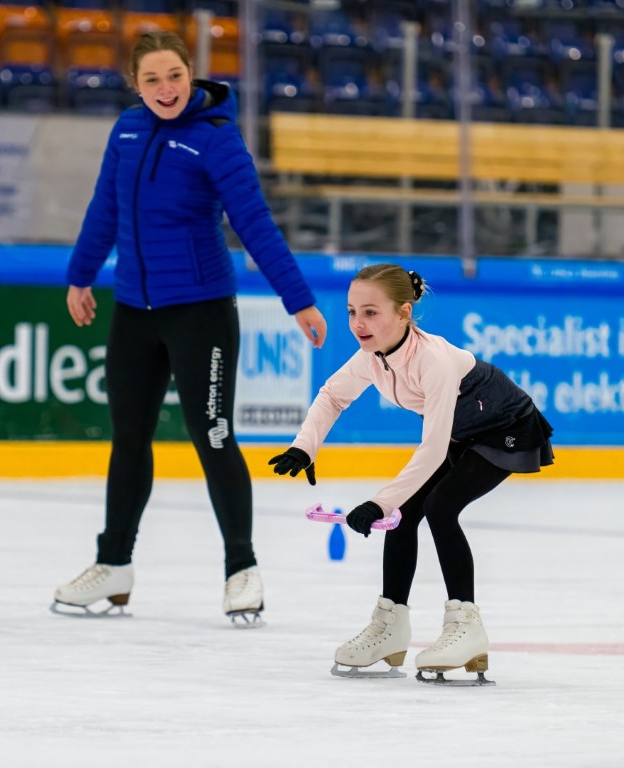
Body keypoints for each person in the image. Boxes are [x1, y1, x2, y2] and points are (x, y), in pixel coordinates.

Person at [55, 30, 328, 625]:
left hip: (201, 312)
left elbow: (254, 223)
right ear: (135, 85)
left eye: (174, 76)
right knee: (129, 439)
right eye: (151, 79)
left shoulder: (216, 137)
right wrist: (80, 276)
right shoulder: (127, 130)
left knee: (214, 436)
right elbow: (105, 209)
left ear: (191, 73)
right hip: (134, 311)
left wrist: (298, 300)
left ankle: (241, 569)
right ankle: (114, 563)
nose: (165, 89)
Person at [268, 264, 552, 677]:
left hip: (505, 427)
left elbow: (433, 450)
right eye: (351, 312)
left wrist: (378, 502)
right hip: (461, 431)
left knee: (440, 506)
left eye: (370, 313)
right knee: (404, 514)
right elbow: (332, 396)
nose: (358, 324)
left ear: (404, 313)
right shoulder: (372, 358)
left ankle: (466, 625)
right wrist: (304, 446)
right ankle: (391, 625)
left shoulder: (433, 361)